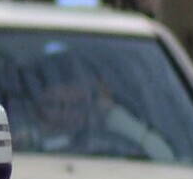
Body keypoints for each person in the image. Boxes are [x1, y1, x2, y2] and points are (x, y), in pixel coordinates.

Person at [22, 53, 174, 161]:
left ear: (90, 108)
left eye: (76, 105)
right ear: (36, 109)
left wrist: (112, 113)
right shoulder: (22, 148)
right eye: (53, 105)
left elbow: (164, 157)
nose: (66, 115)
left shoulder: (112, 149)